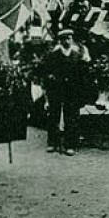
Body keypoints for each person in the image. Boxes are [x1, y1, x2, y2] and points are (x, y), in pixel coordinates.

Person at [43, 27, 89, 156]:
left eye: (68, 38)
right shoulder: (53, 54)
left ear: (72, 39)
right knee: (53, 116)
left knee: (72, 116)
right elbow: (46, 70)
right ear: (60, 40)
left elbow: (83, 72)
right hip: (56, 88)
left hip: (72, 89)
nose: (66, 41)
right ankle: (52, 143)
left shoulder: (78, 54)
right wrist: (51, 77)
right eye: (63, 39)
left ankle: (71, 145)